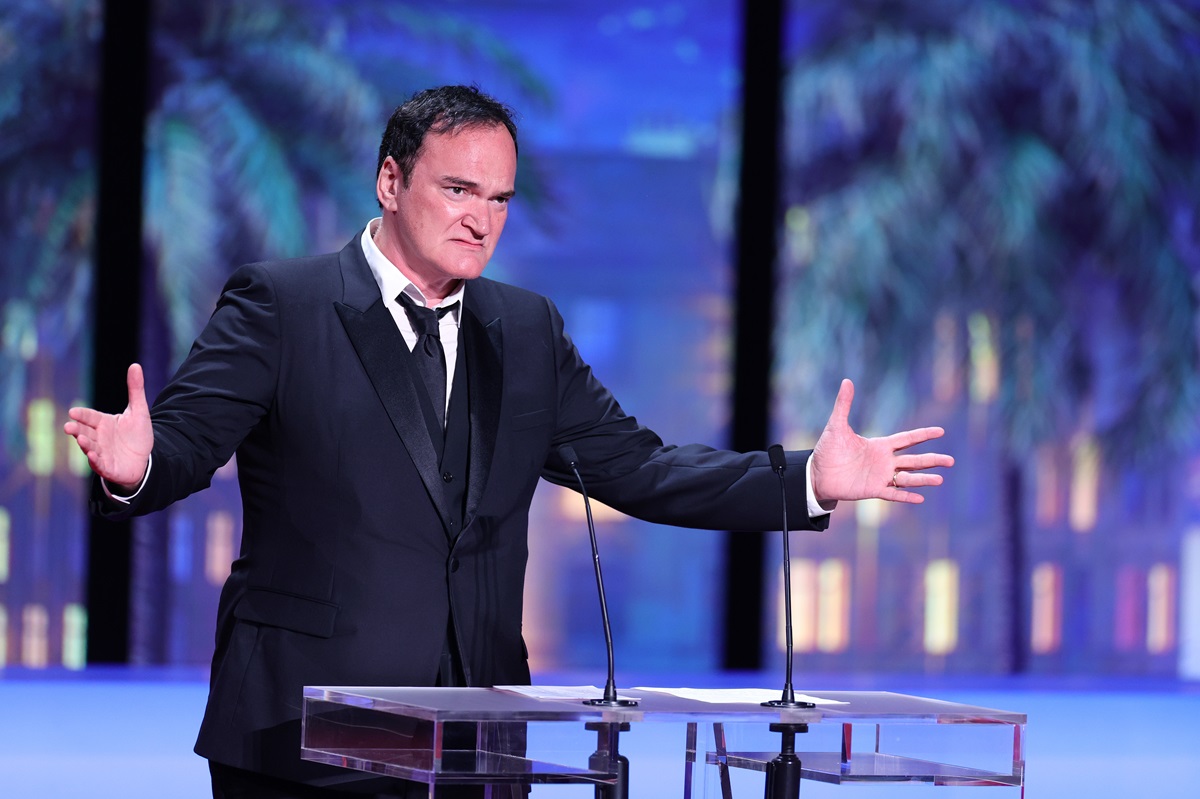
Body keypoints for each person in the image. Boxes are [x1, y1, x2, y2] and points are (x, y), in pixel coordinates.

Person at [64, 85, 953, 798]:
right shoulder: (282, 304)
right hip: (307, 730)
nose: (480, 220)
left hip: (480, 743)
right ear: (390, 181)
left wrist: (807, 481)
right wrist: (138, 464)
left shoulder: (525, 329)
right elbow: (185, 440)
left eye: (498, 200)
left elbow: (636, 466)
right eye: (457, 189)